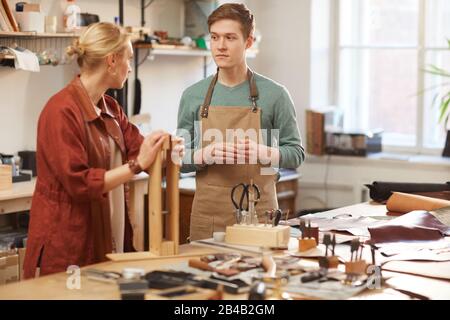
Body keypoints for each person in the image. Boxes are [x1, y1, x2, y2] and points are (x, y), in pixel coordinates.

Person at [23, 22, 184, 278]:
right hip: (69, 247)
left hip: (107, 237)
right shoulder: (61, 111)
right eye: (128, 59)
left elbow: (140, 149)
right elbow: (80, 184)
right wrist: (136, 165)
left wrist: (165, 148)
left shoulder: (110, 107)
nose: (130, 67)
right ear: (111, 60)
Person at [177, 3, 305, 241]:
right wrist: (204, 155)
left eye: (230, 37)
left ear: (248, 42)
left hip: (260, 216)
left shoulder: (275, 95)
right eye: (215, 37)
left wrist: (262, 152)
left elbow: (296, 153)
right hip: (209, 218)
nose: (220, 46)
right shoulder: (193, 96)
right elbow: (178, 160)